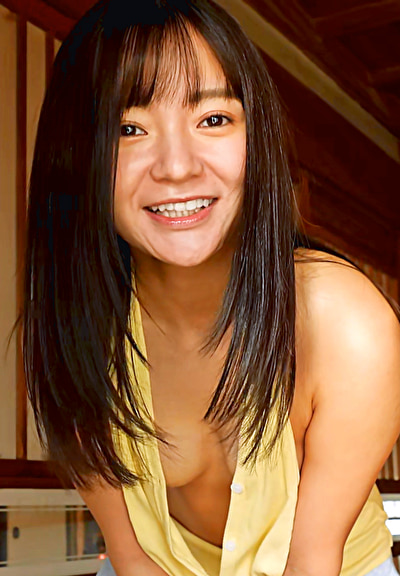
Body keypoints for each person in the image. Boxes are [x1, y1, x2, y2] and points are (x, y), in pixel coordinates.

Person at [23, 0, 400, 575]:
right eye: (128, 129)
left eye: (214, 119)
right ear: (76, 157)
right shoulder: (81, 326)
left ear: (256, 138)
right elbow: (132, 558)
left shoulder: (345, 324)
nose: (177, 167)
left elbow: (311, 562)